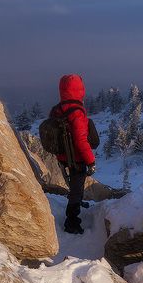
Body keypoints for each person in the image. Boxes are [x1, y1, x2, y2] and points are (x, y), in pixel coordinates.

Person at [52, 74, 96, 234]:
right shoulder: (77, 111)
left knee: (74, 186)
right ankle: (72, 222)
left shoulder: (57, 109)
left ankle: (75, 201)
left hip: (63, 156)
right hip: (76, 158)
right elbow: (80, 140)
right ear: (80, 89)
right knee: (77, 188)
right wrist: (90, 160)